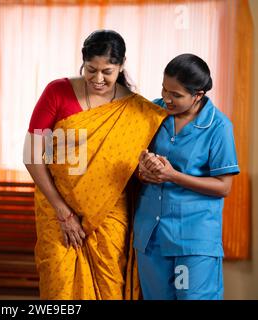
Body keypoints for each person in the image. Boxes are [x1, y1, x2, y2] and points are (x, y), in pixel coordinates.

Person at [23, 30, 167, 299]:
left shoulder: (136, 110)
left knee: (108, 284)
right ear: (83, 61)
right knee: (59, 288)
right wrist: (63, 212)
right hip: (56, 211)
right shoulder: (57, 92)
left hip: (109, 214)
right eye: (91, 70)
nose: (98, 79)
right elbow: (31, 155)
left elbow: (135, 168)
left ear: (121, 65)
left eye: (107, 71)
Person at [134, 54, 240, 300]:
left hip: (194, 239)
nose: (167, 98)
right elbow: (135, 167)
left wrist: (173, 175)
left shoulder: (218, 127)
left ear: (198, 95)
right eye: (164, 88)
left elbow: (223, 187)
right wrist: (145, 171)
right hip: (151, 236)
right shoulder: (153, 112)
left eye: (177, 95)